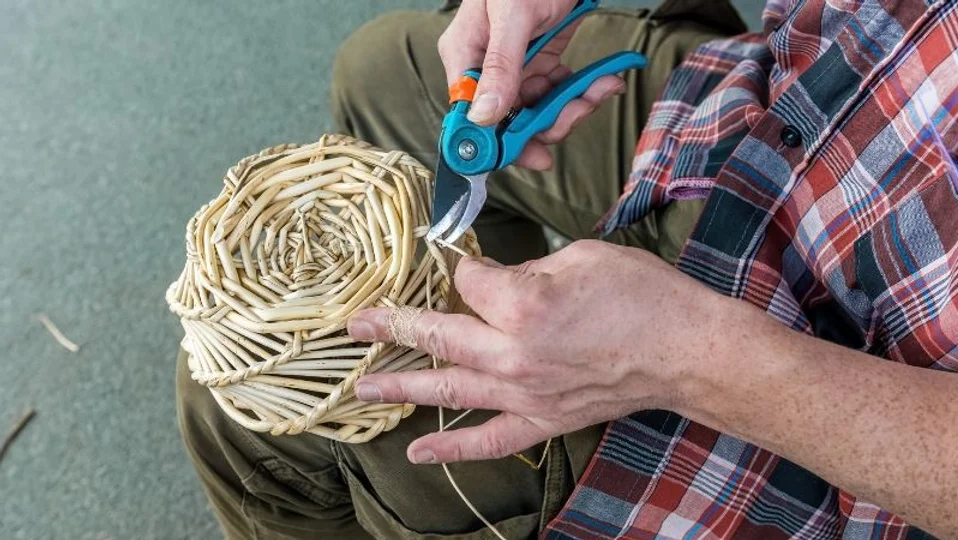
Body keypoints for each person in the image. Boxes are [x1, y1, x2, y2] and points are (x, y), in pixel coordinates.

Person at [178, 0, 958, 538]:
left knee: (236, 406)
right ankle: (551, 345)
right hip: (797, 105)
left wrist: (682, 360)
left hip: (829, 410)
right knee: (383, 73)